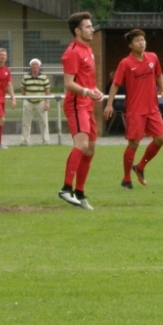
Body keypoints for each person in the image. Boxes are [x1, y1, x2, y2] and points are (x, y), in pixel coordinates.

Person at [103, 29, 163, 190]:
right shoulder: (125, 63)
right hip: (135, 110)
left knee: (160, 139)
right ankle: (126, 179)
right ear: (130, 45)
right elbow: (115, 84)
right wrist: (109, 104)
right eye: (138, 41)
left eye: (143, 40)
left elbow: (158, 74)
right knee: (134, 144)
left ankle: (139, 167)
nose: (141, 43)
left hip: (152, 109)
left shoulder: (153, 57)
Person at [58, 12, 104, 210]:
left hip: (87, 104)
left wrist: (94, 91)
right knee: (82, 144)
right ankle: (66, 189)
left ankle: (80, 192)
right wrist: (86, 91)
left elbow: (87, 80)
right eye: (87, 26)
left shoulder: (88, 50)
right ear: (77, 31)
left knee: (91, 149)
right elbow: (68, 83)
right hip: (76, 105)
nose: (92, 29)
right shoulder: (73, 52)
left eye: (91, 26)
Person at [20, 58, 52, 145]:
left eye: (36, 65)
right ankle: (24, 141)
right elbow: (23, 89)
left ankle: (46, 141)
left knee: (44, 122)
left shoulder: (44, 77)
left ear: (39, 67)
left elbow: (47, 90)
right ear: (30, 67)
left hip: (40, 101)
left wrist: (47, 101)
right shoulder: (25, 77)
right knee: (25, 122)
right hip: (28, 101)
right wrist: (24, 100)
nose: (35, 66)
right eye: (33, 65)